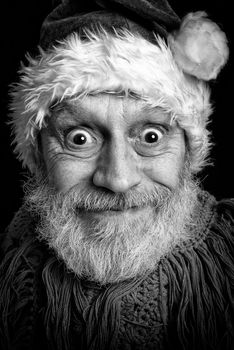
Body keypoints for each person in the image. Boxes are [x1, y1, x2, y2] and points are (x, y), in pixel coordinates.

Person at [0, 0, 233, 349]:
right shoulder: (10, 265)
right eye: (79, 138)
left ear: (189, 151)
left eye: (151, 136)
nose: (118, 179)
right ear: (39, 153)